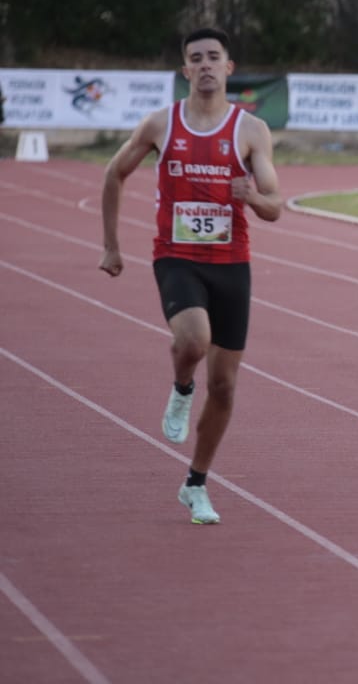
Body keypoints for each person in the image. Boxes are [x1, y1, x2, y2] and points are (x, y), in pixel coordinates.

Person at [99, 27, 282, 524]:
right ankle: (181, 388)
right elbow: (114, 173)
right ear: (185, 71)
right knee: (194, 339)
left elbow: (275, 205)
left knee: (223, 387)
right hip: (176, 256)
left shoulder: (251, 131)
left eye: (213, 57)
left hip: (232, 264)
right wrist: (112, 246)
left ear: (228, 68)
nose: (204, 65)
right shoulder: (162, 123)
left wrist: (252, 198)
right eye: (195, 58)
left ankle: (196, 483)